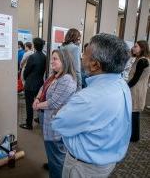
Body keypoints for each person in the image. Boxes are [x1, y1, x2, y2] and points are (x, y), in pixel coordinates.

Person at [52, 33, 131, 178]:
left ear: (95, 64)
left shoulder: (87, 98)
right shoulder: (121, 84)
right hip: (107, 161)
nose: (82, 56)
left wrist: (60, 110)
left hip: (82, 167)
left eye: (85, 53)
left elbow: (58, 124)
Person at [33, 48, 77, 178]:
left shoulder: (67, 79)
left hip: (56, 124)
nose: (51, 62)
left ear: (65, 61)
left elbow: (54, 102)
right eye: (51, 58)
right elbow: (43, 87)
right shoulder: (55, 74)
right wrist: (36, 99)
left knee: (57, 156)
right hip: (48, 119)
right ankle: (53, 167)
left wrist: (37, 106)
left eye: (55, 59)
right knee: (52, 153)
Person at [20, 38, 46, 130]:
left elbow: (26, 71)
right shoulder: (45, 57)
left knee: (29, 105)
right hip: (40, 83)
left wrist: (26, 78)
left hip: (30, 84)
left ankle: (29, 124)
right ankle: (39, 119)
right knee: (40, 102)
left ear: (34, 45)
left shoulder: (32, 57)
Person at [128, 40, 150, 142]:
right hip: (137, 88)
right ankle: (134, 135)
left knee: (134, 113)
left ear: (142, 48)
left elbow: (135, 78)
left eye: (136, 46)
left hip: (137, 90)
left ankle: (134, 137)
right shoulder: (139, 59)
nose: (133, 48)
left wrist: (125, 87)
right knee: (134, 113)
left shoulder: (143, 61)